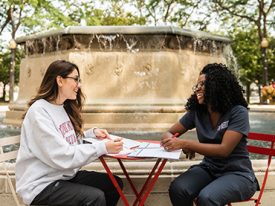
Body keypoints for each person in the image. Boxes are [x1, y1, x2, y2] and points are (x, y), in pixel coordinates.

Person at [16, 60, 124, 206]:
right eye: (75, 79)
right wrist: (103, 147)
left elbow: (66, 141)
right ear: (60, 80)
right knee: (95, 197)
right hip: (41, 185)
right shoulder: (39, 112)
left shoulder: (61, 107)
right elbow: (62, 155)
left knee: (114, 185)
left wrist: (90, 134)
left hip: (62, 175)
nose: (78, 85)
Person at [161, 63, 258, 206]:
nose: (197, 88)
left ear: (217, 86)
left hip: (238, 174)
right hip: (209, 169)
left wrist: (186, 144)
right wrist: (172, 142)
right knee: (178, 189)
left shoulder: (238, 112)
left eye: (203, 84)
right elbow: (168, 133)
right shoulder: (198, 111)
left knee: (207, 198)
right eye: (197, 85)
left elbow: (224, 150)